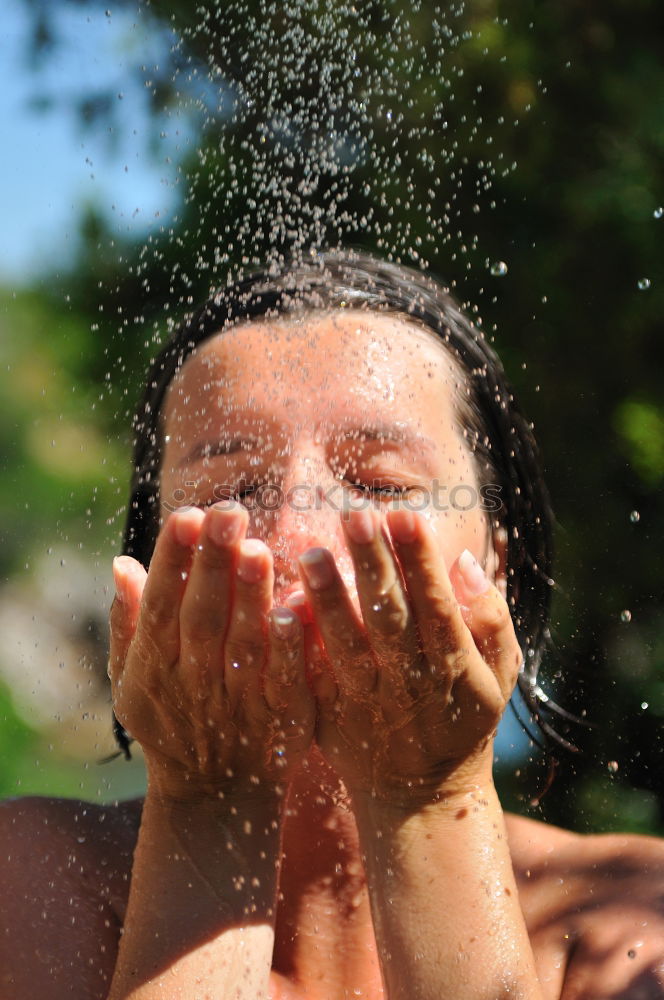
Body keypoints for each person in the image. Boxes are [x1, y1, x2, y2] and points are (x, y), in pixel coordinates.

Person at [1, 252, 663, 1000]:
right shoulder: (31, 882)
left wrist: (428, 799)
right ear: (150, 582)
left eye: (381, 484)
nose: (298, 531)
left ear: (497, 569)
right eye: (231, 490)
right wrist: (212, 799)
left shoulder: (633, 923)